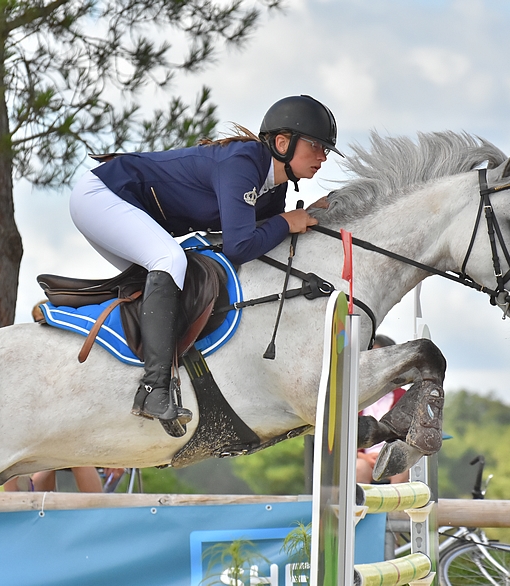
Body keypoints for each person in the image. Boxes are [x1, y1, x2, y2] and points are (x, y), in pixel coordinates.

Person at [69, 95, 341, 435]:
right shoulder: (242, 163)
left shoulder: (275, 188)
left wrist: (305, 218)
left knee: (172, 283)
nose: (323, 156)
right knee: (170, 261)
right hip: (103, 196)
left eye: (326, 149)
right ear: (283, 143)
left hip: (130, 210)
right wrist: (287, 222)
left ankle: (139, 380)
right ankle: (154, 389)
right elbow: (240, 246)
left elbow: (265, 244)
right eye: (316, 145)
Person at [2, 302, 124, 493]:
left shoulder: (79, 358)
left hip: (77, 440)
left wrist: (116, 451)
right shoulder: (33, 364)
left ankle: (97, 506)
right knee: (23, 457)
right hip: (46, 442)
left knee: (70, 452)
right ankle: (21, 507)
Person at [356, 334, 410, 485]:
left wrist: (387, 457)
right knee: (359, 468)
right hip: (363, 459)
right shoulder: (355, 398)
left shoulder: (403, 397)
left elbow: (408, 437)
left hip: (393, 457)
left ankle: (396, 509)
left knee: (401, 470)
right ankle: (360, 508)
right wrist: (364, 457)